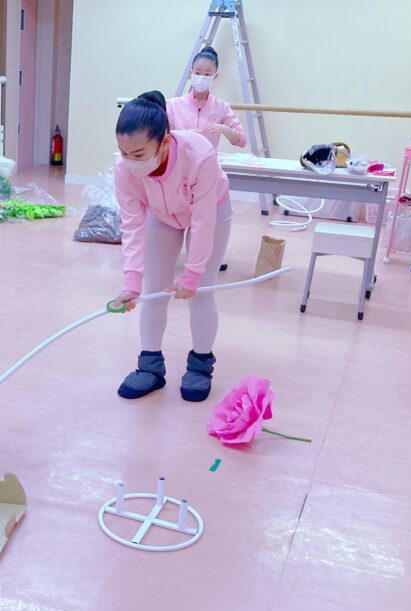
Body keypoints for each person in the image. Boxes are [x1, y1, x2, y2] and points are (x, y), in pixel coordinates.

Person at [111, 90, 231, 402]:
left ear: (164, 142)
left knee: (201, 291)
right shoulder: (124, 170)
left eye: (139, 154)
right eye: (124, 152)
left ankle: (200, 367)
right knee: (153, 290)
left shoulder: (199, 154)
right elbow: (132, 226)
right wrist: (131, 283)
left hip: (211, 210)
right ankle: (150, 368)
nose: (131, 161)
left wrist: (192, 274)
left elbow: (203, 220)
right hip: (162, 215)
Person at [166, 44, 245, 272]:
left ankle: (200, 266)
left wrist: (223, 129)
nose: (201, 77)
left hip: (206, 178)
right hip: (178, 175)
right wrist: (183, 135)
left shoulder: (221, 107)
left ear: (215, 76)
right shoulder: (173, 105)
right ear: (190, 73)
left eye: (207, 74)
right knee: (172, 224)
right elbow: (162, 137)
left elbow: (241, 140)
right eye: (198, 72)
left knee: (203, 226)